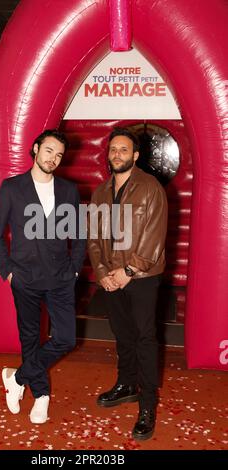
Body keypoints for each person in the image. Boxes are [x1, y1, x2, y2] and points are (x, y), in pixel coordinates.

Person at [0, 129, 85, 424]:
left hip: (60, 278)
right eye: (49, 151)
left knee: (66, 338)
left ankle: (16, 377)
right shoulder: (11, 188)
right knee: (30, 338)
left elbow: (78, 235)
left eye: (58, 155)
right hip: (24, 278)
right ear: (35, 149)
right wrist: (8, 273)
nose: (53, 158)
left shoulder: (69, 190)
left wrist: (75, 269)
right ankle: (41, 396)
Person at [87, 127, 168, 440]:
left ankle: (147, 405)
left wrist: (128, 271)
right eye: (113, 150)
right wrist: (103, 271)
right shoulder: (100, 192)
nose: (116, 154)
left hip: (142, 277)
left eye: (123, 149)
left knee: (145, 339)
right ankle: (125, 385)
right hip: (110, 278)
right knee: (122, 335)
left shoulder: (151, 189)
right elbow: (94, 238)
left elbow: (154, 239)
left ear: (135, 156)